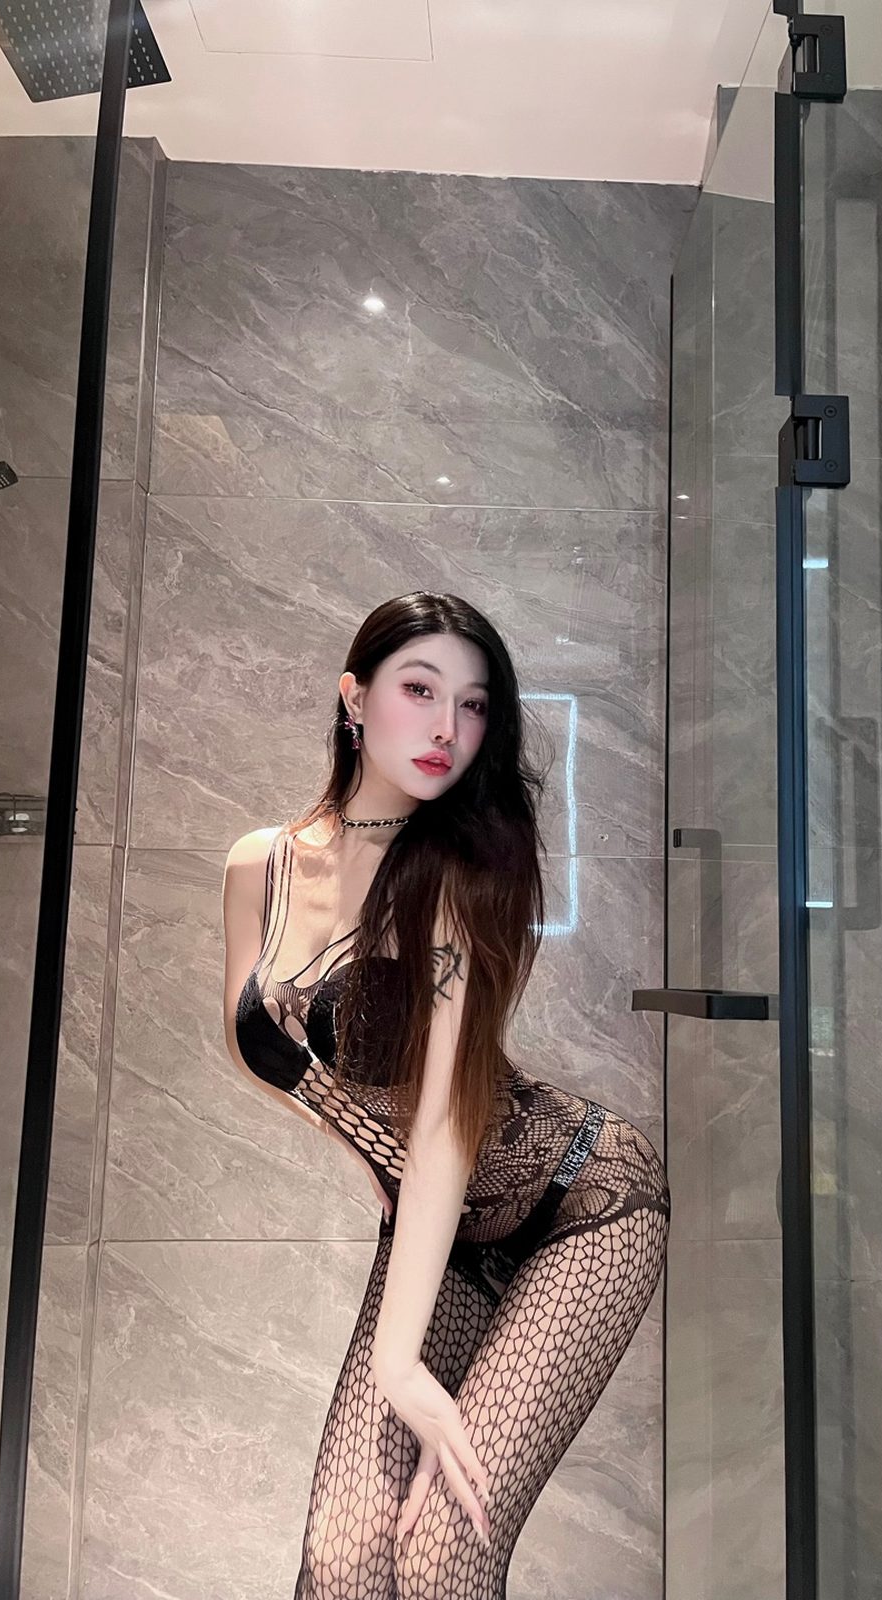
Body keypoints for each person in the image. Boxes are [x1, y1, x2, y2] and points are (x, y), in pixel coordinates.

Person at [221, 590, 670, 1598]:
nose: (445, 728)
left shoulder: (462, 878)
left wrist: (400, 1366)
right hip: (443, 1222)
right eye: (419, 690)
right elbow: (259, 1040)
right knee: (343, 1563)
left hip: (583, 1208)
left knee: (438, 1557)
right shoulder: (261, 865)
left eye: (472, 706)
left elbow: (443, 1128)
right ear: (353, 697)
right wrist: (360, 1147)